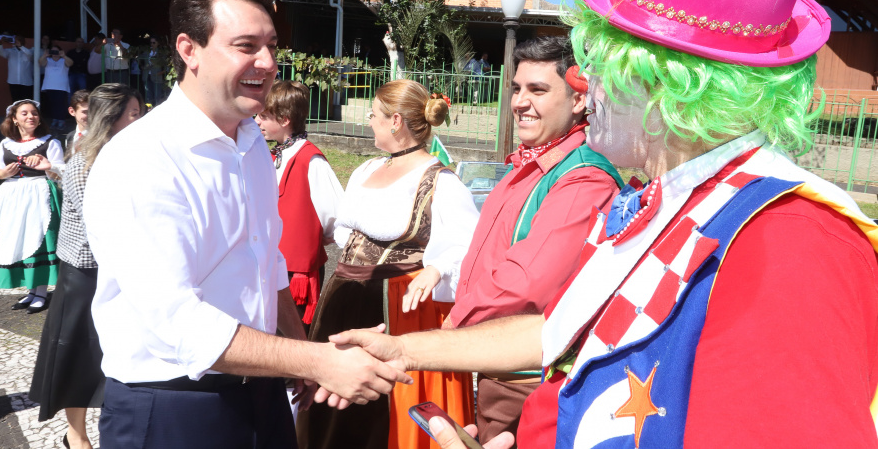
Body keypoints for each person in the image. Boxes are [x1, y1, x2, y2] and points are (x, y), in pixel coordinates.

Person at [330, 0, 878, 448]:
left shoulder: (791, 239)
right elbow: (565, 326)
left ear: (673, 80)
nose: (584, 81)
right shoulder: (665, 199)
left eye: (603, 57)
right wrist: (407, 350)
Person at [82, 0, 411, 449]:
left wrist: (303, 355)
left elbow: (266, 265)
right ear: (188, 48)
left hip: (261, 390)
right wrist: (317, 362)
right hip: (174, 407)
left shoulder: (252, 142)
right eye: (246, 46)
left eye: (272, 46)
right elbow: (178, 321)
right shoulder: (142, 157)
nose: (268, 63)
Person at [448, 36, 622, 446]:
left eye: (538, 90)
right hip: (497, 363)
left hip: (529, 379)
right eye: (516, 88)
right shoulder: (528, 165)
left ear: (580, 100)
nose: (520, 102)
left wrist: (453, 324)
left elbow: (526, 282)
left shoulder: (583, 178)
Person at [297, 79, 479, 449]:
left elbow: (467, 244)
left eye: (375, 114)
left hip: (398, 310)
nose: (369, 119)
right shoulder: (367, 169)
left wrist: (435, 268)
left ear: (395, 120)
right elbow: (345, 228)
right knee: (331, 409)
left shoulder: (441, 182)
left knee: (385, 417)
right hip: (343, 299)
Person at [30, 83, 145, 449]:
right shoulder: (84, 161)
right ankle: (76, 435)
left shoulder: (132, 155)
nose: (140, 121)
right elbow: (98, 224)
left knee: (119, 350)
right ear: (111, 119)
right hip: (85, 272)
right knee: (78, 353)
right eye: (134, 114)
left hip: (121, 268)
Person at [255, 80, 342, 332]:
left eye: (263, 116)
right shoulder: (270, 155)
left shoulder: (310, 160)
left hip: (295, 274)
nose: (257, 122)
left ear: (284, 119)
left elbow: (336, 214)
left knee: (293, 339)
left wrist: (320, 235)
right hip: (270, 264)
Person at [0, 99, 64, 314]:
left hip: (39, 195)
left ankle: (41, 292)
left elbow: (59, 173)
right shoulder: (6, 143)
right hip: (12, 197)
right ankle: (31, 290)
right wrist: (4, 173)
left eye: (34, 113)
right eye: (25, 113)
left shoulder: (49, 142)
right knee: (18, 238)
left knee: (37, 239)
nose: (31, 117)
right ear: (15, 119)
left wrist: (48, 166)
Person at [40, 44, 73, 130]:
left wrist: (63, 55)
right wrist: (45, 55)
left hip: (61, 87)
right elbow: (40, 63)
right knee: (53, 104)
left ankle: (61, 121)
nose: (54, 53)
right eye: (53, 51)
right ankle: (55, 120)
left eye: (56, 51)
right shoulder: (48, 60)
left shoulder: (63, 60)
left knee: (61, 104)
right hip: (49, 86)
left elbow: (71, 63)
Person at [0, 34, 34, 102]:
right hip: (13, 82)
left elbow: (30, 55)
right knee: (15, 102)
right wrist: (0, 43)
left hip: (26, 82)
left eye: (20, 40)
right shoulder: (10, 51)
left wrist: (21, 46)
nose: (18, 42)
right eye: (16, 40)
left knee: (26, 103)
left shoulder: (29, 51)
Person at [138, 35, 169, 105]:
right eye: (151, 43)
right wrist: (141, 67)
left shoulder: (161, 54)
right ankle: (149, 110)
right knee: (148, 96)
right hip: (146, 76)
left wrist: (161, 73)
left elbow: (167, 66)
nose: (152, 44)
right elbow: (138, 58)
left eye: (154, 43)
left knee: (157, 96)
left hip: (157, 77)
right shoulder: (147, 52)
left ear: (158, 43)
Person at [64, 90, 90, 158]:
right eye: (85, 112)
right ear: (72, 111)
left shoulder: (102, 137)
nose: (90, 115)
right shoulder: (70, 137)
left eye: (93, 111)